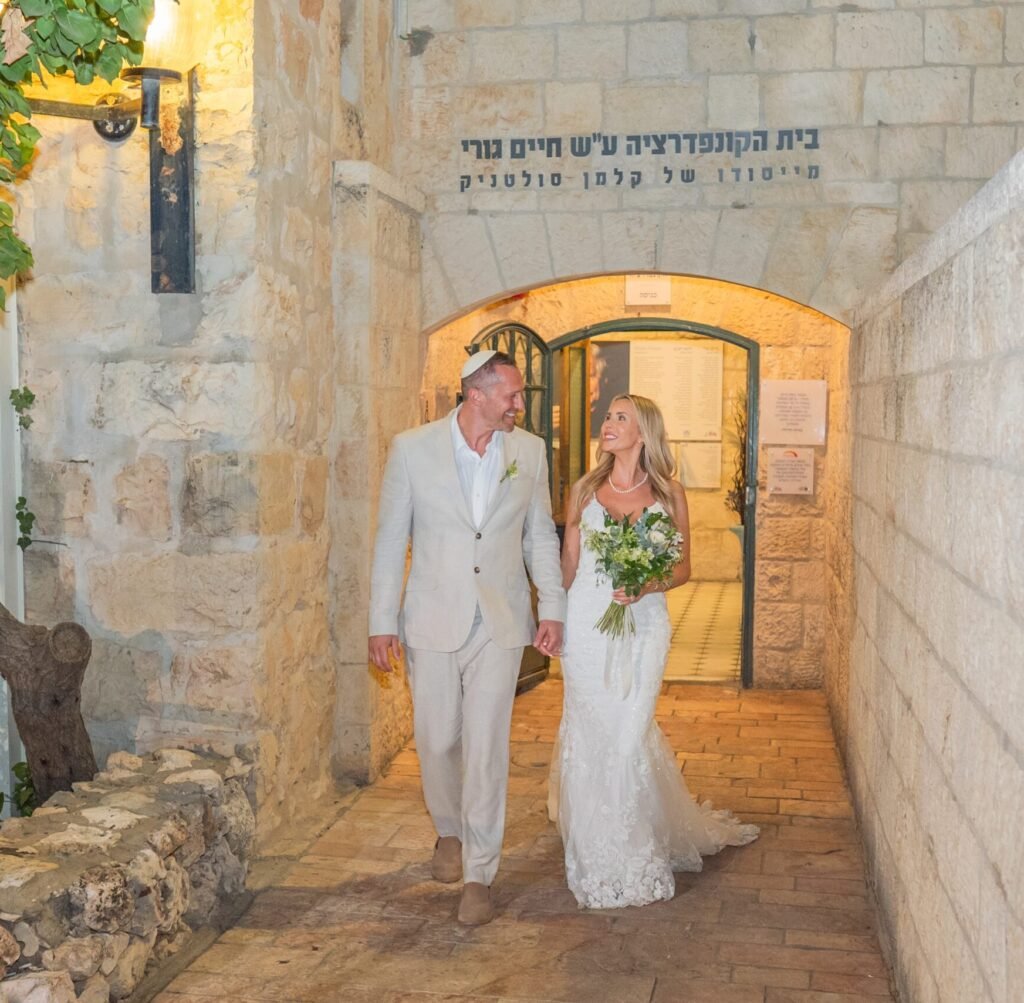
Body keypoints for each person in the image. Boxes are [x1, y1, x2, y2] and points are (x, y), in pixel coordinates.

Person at [369, 350, 565, 926]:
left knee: (486, 748)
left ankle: (479, 872)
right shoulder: (412, 449)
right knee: (434, 739)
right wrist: (382, 619)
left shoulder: (529, 452)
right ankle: (449, 830)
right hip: (431, 617)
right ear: (476, 394)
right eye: (512, 394)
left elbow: (539, 538)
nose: (519, 405)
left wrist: (550, 606)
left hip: (500, 622)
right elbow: (389, 540)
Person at [550, 393, 758, 910]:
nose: (608, 424)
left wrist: (644, 586)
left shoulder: (669, 493)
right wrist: (551, 619)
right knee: (592, 733)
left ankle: (633, 848)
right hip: (587, 624)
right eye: (608, 417)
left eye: (621, 418)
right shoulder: (584, 490)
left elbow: (682, 569)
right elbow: (569, 563)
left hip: (643, 625)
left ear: (644, 432)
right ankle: (598, 853)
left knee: (628, 733)